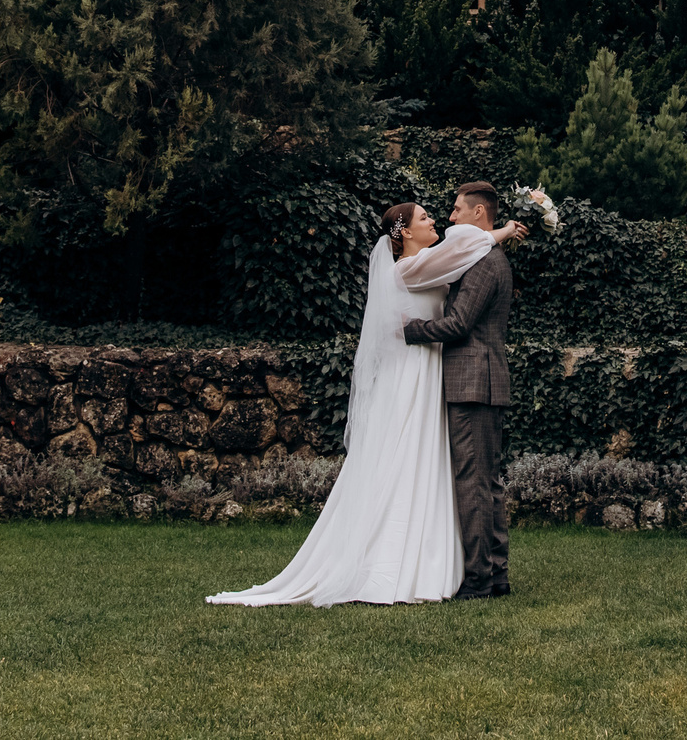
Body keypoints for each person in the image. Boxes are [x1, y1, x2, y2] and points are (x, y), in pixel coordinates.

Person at [205, 197, 523, 606]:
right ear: (404, 232)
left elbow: (464, 251)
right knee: (405, 459)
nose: (437, 220)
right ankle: (395, 558)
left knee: (435, 465)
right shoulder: (407, 268)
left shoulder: (435, 263)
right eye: (425, 217)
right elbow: (463, 250)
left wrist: (502, 231)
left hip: (432, 374)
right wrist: (501, 231)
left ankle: (456, 562)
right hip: (412, 375)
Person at [402, 180, 517, 600]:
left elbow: (458, 324)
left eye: (455, 210)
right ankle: (496, 574)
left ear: (478, 214)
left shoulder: (485, 261)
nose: (450, 217)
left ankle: (478, 579)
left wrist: (409, 329)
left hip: (473, 382)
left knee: (473, 482)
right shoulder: (487, 254)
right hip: (483, 380)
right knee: (487, 482)